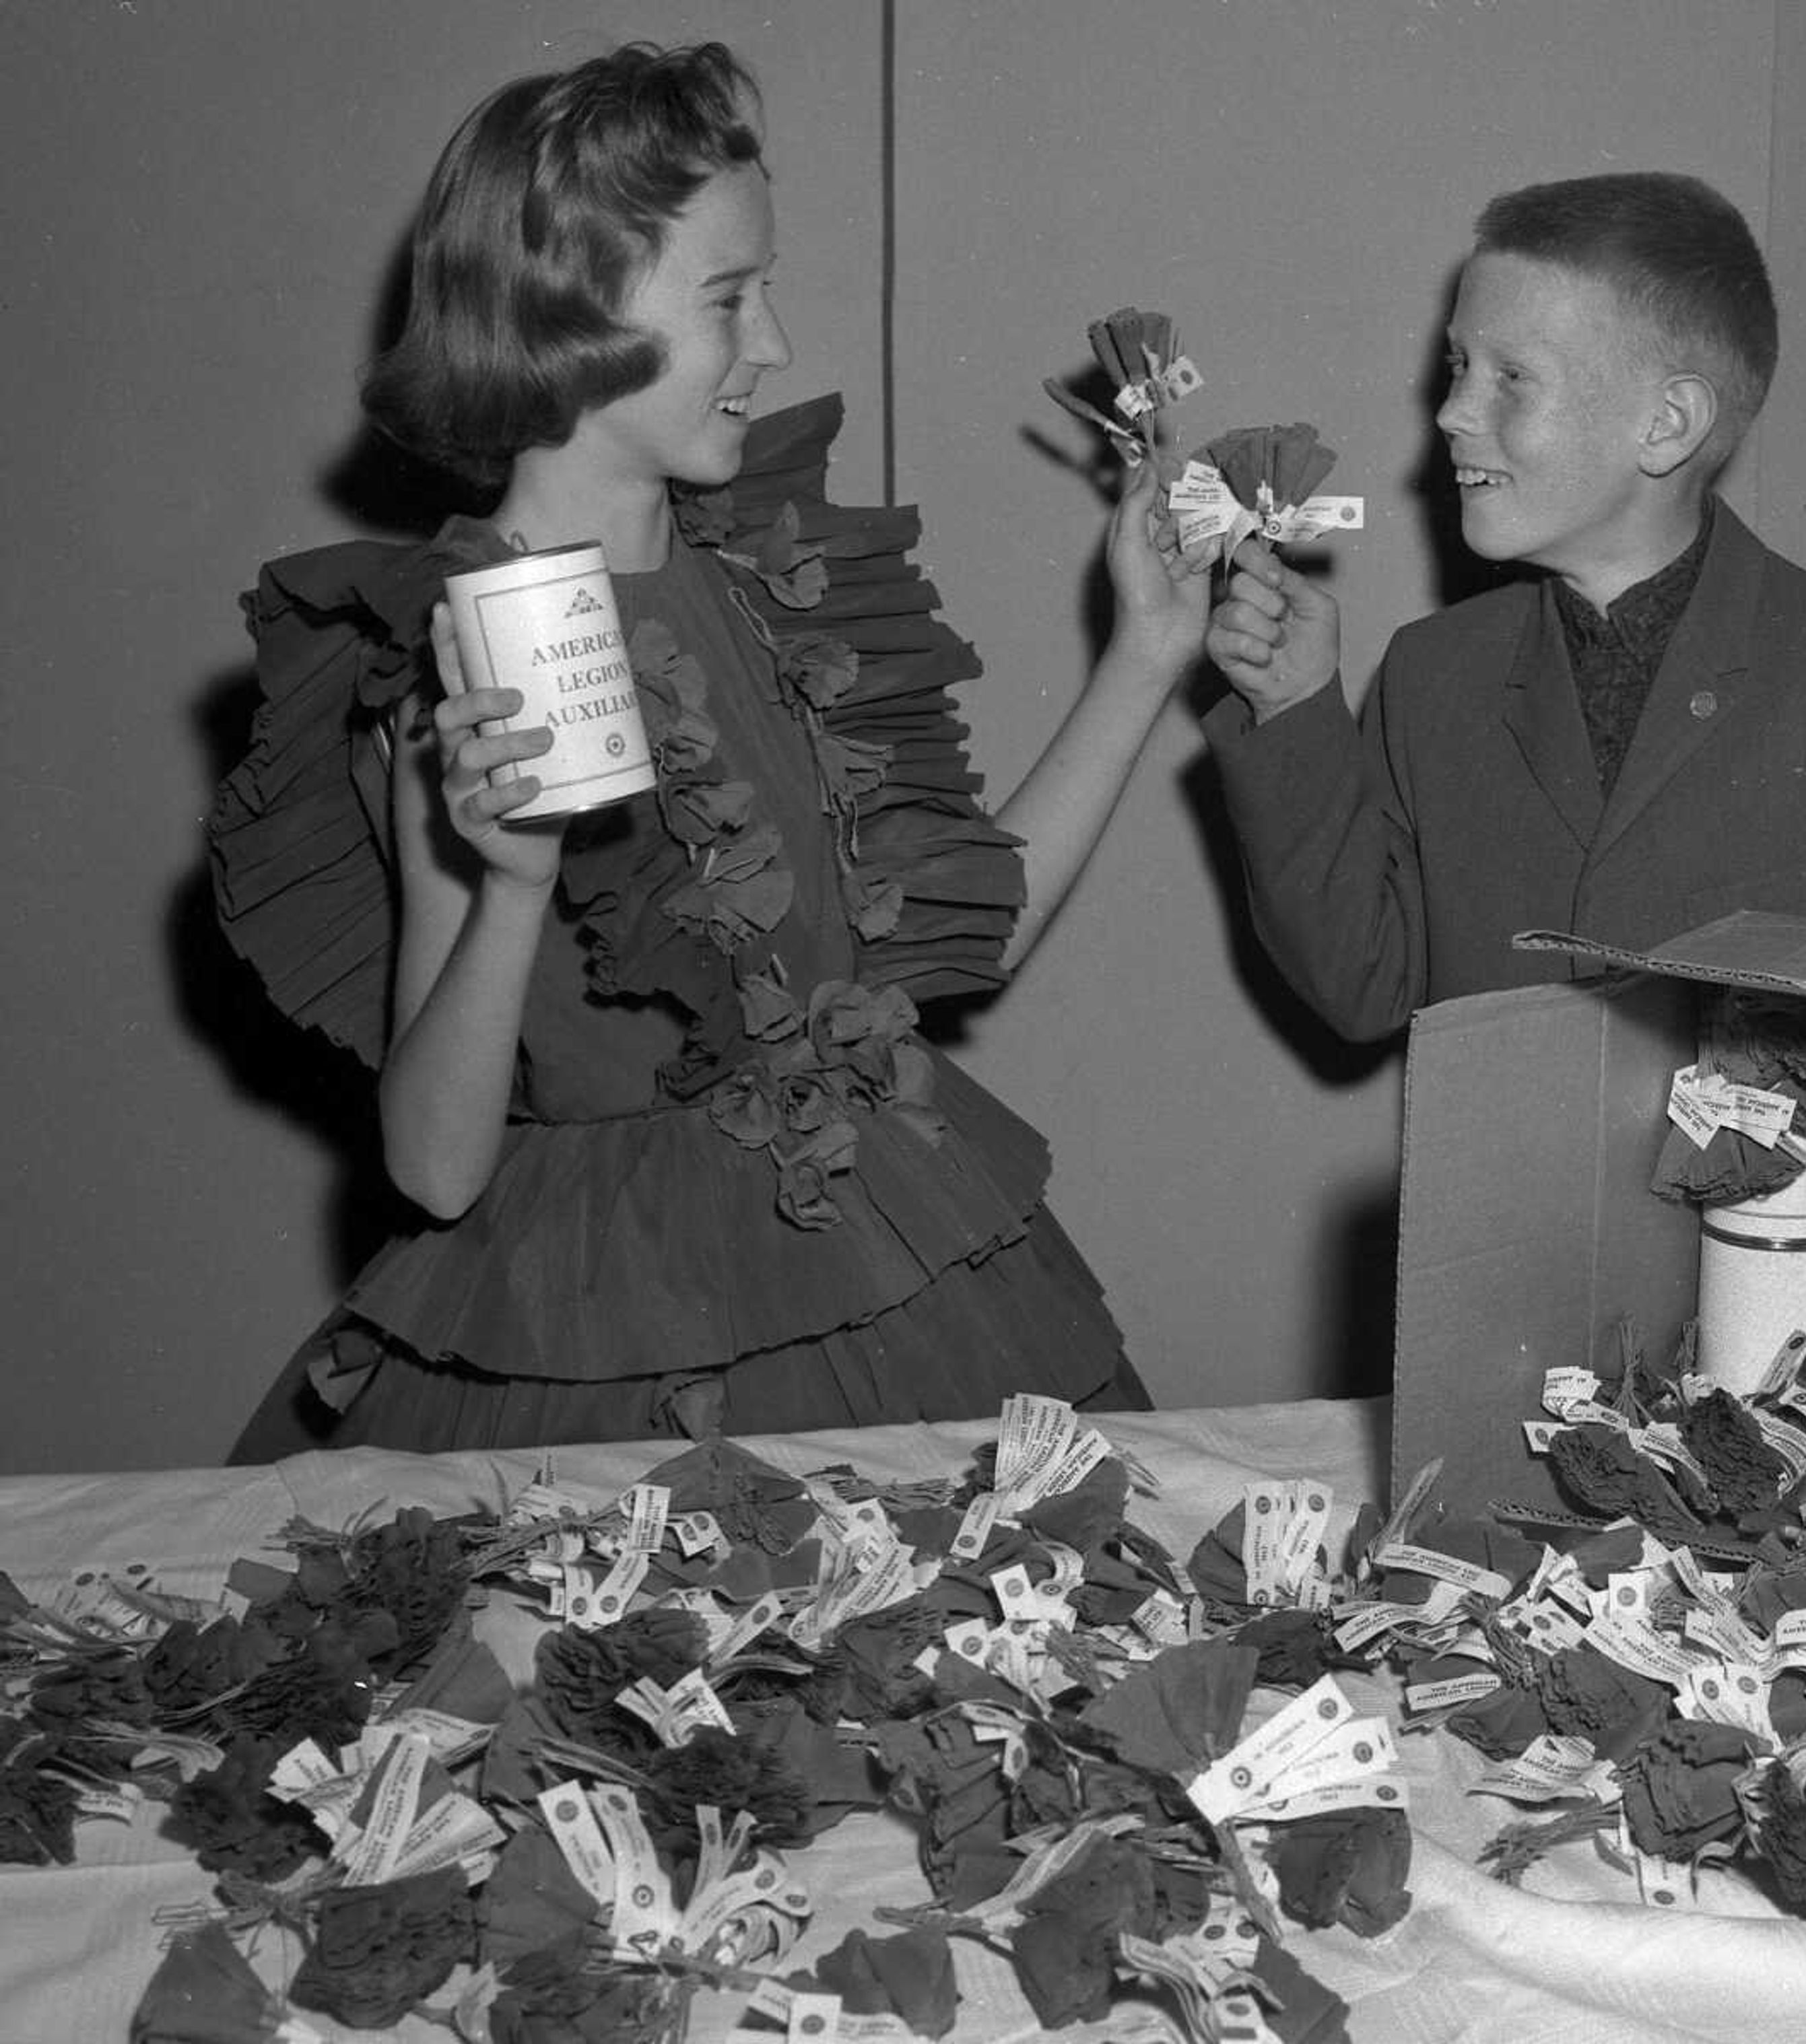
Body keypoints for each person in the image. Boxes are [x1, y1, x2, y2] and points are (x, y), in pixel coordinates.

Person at [208, 42, 1207, 1456]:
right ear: (570, 315)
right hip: (607, 1345)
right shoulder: (462, 649)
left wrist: (1147, 654)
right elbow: (435, 1170)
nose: (777, 346)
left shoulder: (763, 584)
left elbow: (945, 954)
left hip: (892, 1265)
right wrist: (509, 889)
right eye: (730, 300)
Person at [1199, 172, 1806, 1043]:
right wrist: (1291, 714)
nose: (1452, 412)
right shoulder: (1434, 671)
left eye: (1511, 376)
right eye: (1460, 366)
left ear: (1667, 425)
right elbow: (1363, 986)